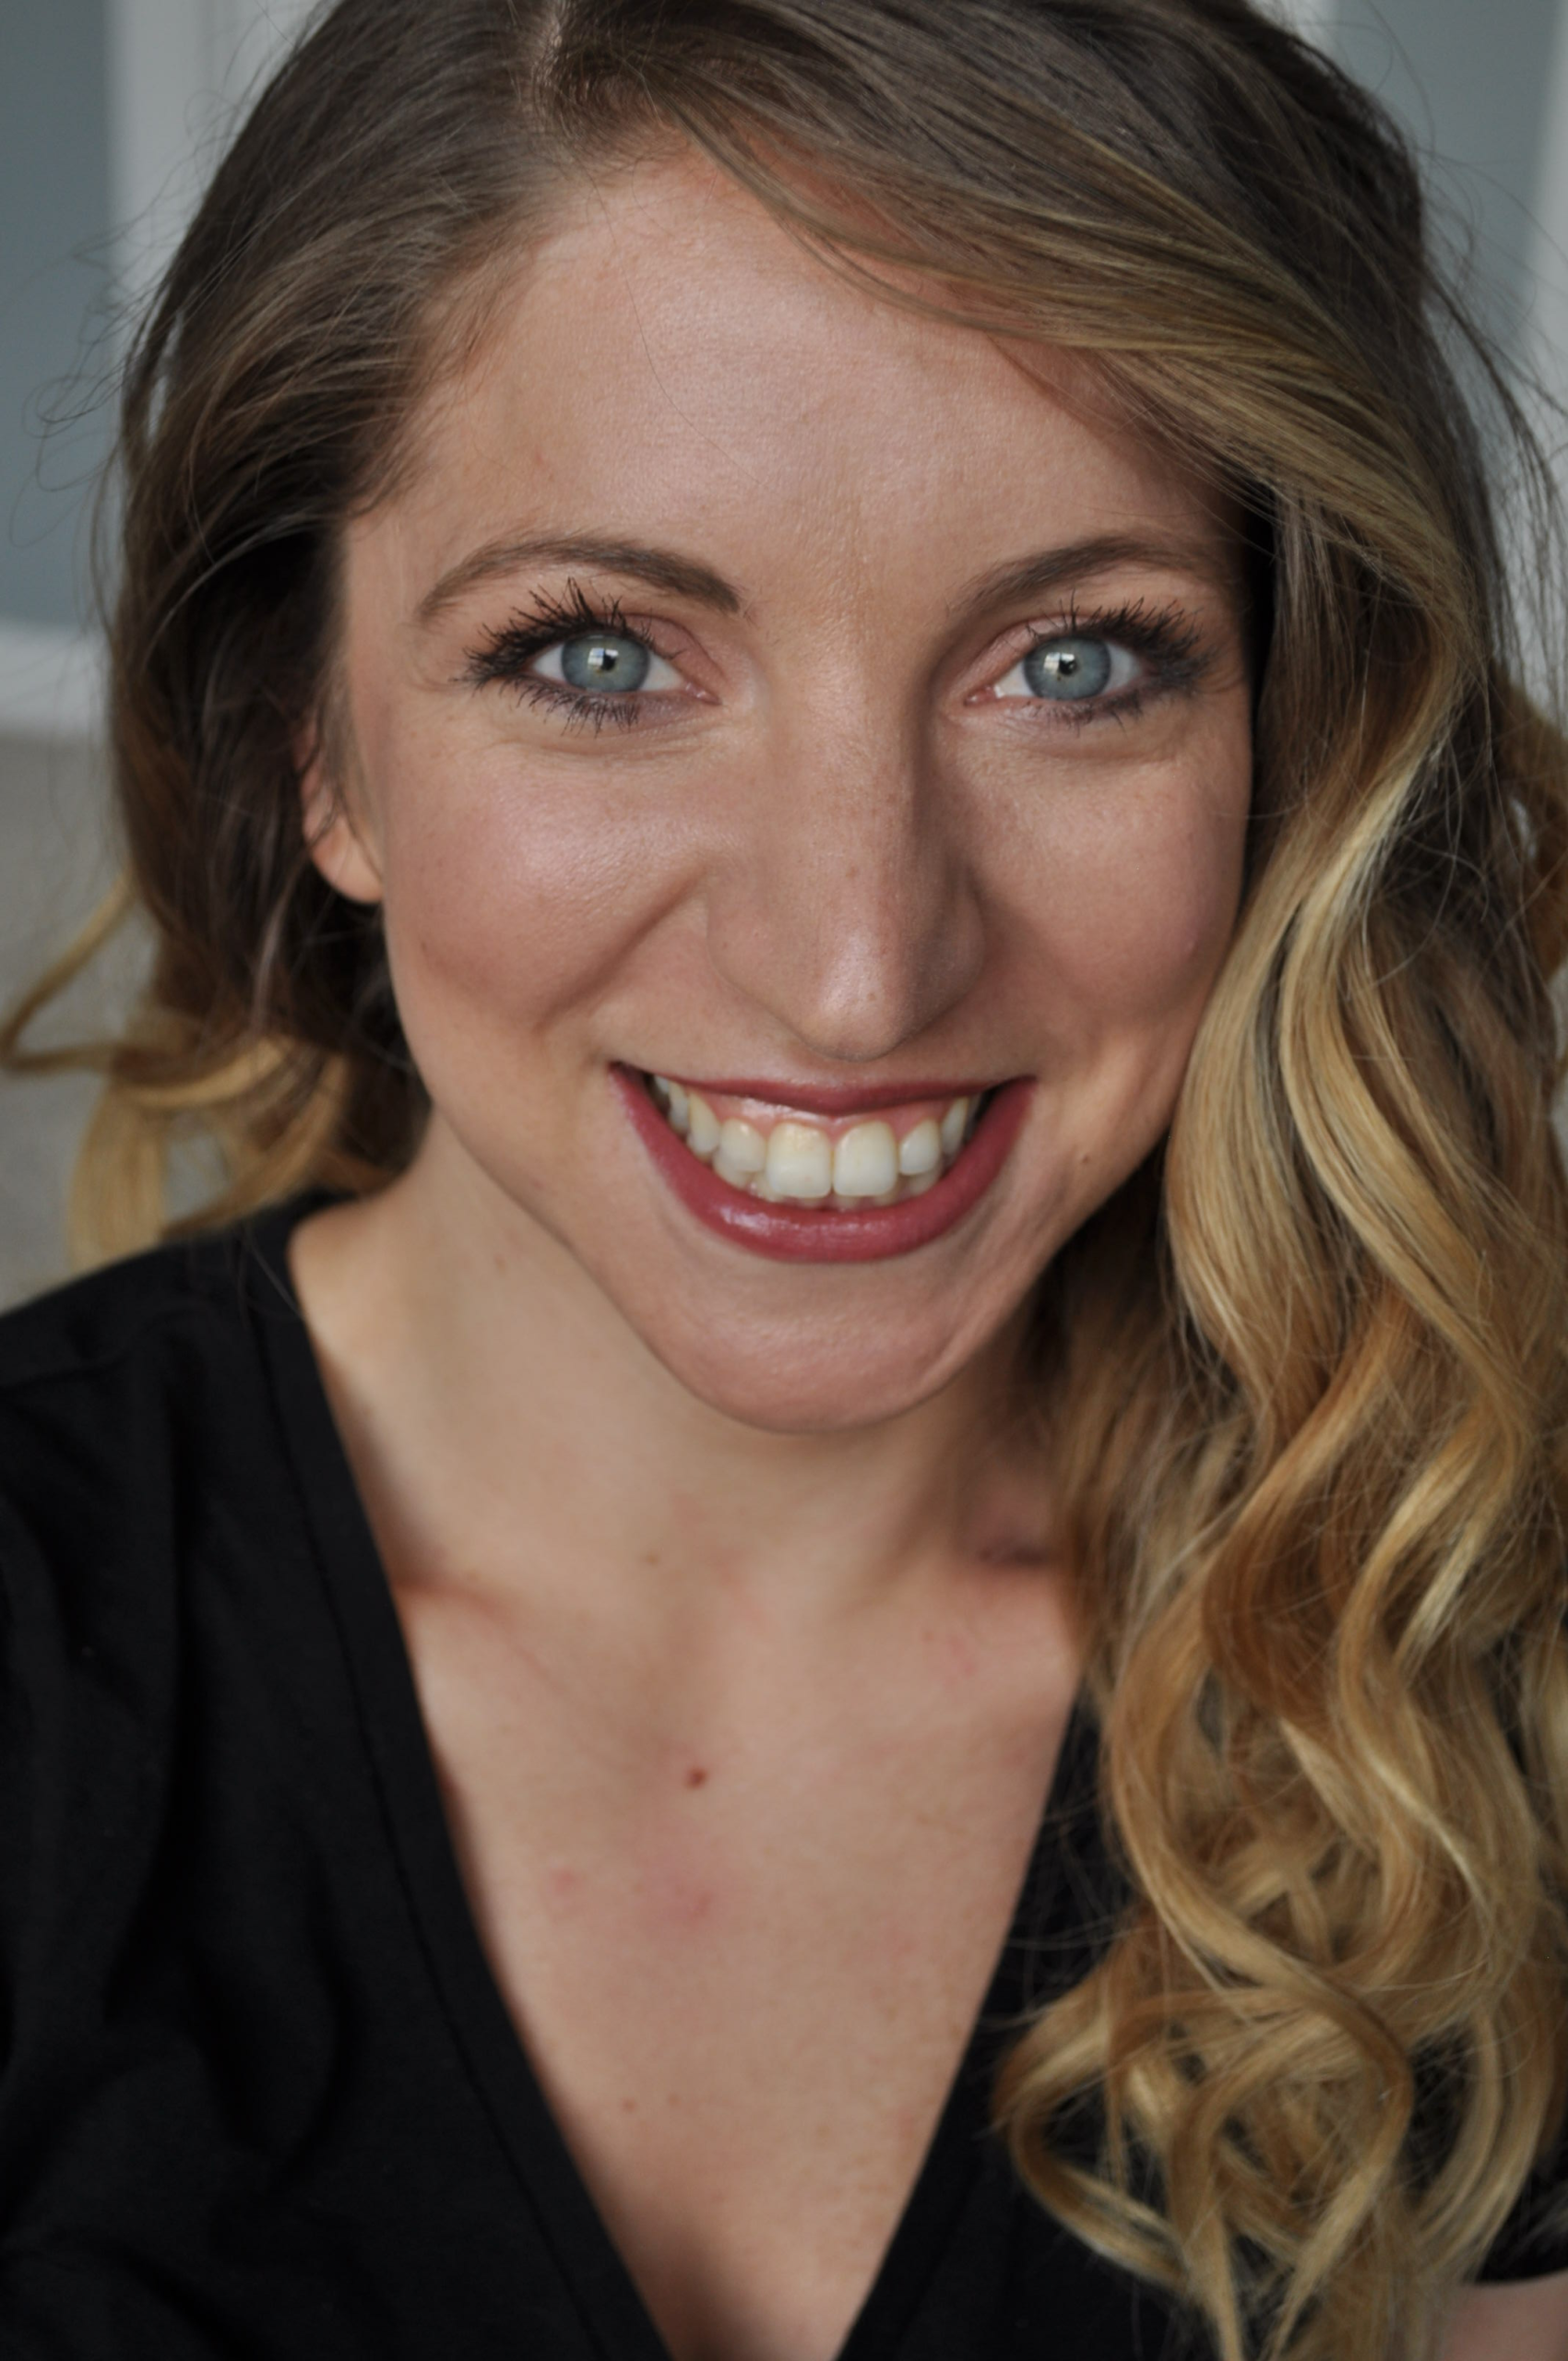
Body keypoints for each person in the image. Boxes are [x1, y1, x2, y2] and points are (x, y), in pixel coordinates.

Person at [3, 0, 1567, 2355]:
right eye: (603, 654)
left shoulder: (1467, 1667)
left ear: (1287, 739)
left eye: (1075, 662)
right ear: (306, 736)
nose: (854, 968)